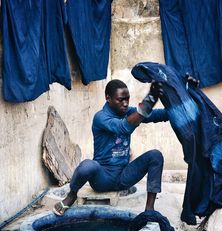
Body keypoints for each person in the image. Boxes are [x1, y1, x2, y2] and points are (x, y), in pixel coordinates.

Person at [53, 79, 169, 216]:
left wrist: (182, 97)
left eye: (127, 99)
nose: (125, 104)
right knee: (87, 165)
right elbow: (123, 128)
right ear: (108, 98)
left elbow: (160, 115)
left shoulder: (128, 112)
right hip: (102, 179)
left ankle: (149, 209)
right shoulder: (101, 117)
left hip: (124, 176)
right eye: (121, 100)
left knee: (155, 156)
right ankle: (71, 195)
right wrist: (149, 99)